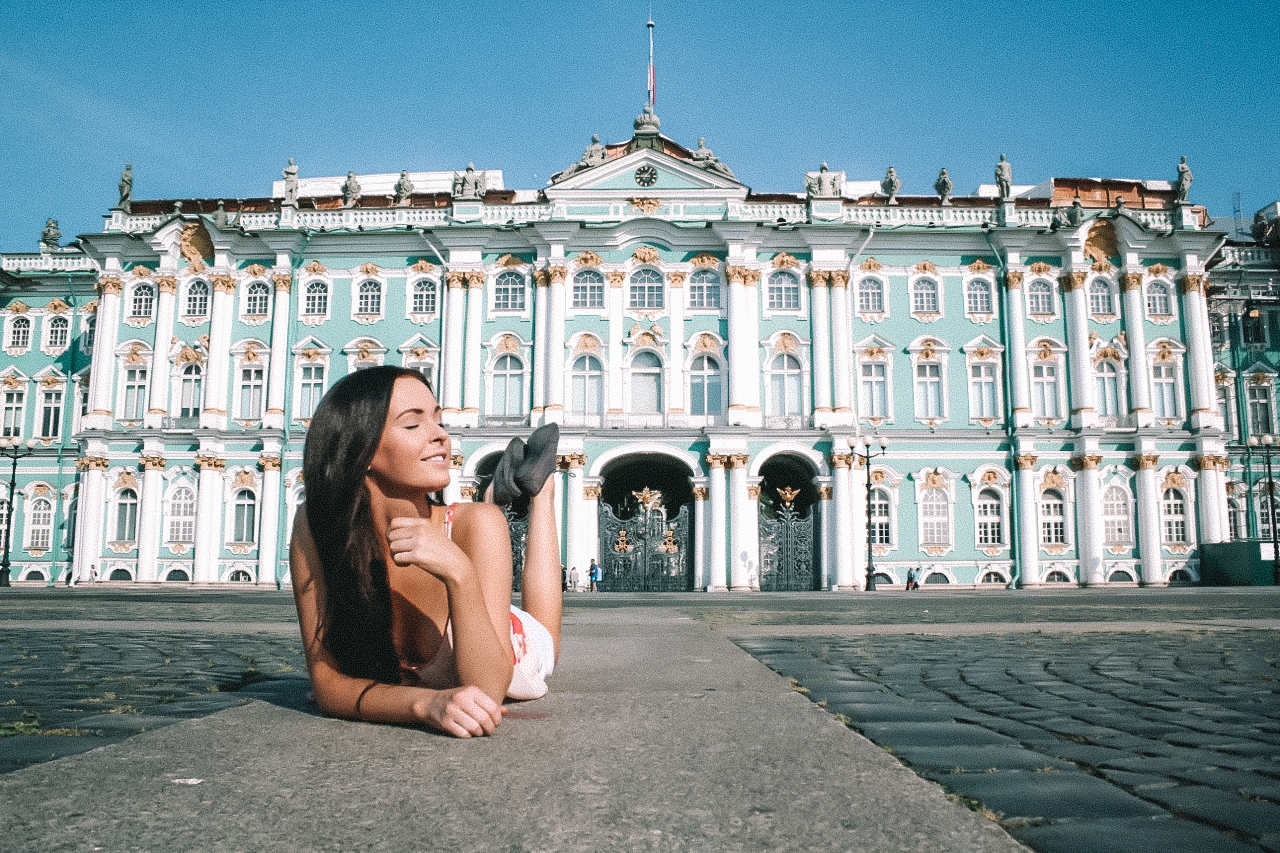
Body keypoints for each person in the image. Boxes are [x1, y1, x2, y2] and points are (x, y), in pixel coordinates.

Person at [289, 366, 563, 738]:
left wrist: (460, 572)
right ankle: (500, 492)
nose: (441, 436)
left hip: (510, 643)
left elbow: (486, 691)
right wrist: (424, 704)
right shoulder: (317, 527)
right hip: (472, 601)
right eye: (413, 425)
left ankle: (542, 491)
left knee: (545, 638)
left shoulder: (475, 526)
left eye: (438, 420)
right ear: (362, 449)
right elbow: (326, 683)